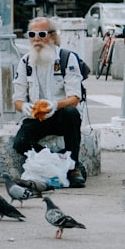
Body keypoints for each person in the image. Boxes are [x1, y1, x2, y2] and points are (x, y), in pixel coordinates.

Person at [12, 17, 86, 188]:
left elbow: (75, 98)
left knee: (71, 113)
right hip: (36, 117)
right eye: (32, 34)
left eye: (41, 34)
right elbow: (18, 99)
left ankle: (73, 166)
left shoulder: (67, 58)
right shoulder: (25, 62)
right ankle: (57, 160)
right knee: (20, 143)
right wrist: (25, 107)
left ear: (52, 36)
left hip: (60, 115)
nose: (36, 39)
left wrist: (53, 105)